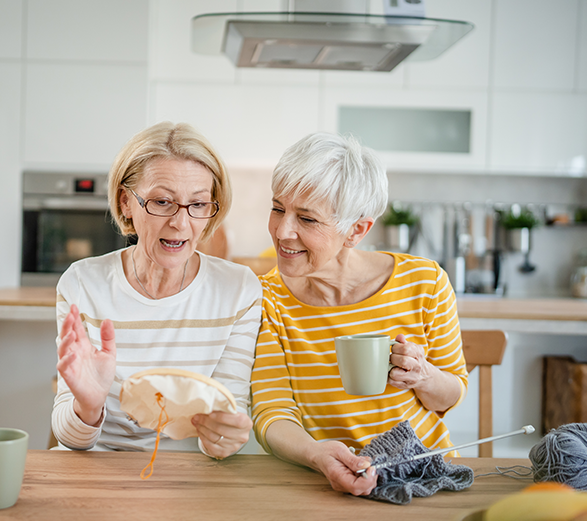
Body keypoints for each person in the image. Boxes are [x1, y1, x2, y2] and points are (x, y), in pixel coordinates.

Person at [251, 132, 468, 495]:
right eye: (278, 209)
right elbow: (272, 413)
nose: (282, 231)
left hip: (423, 475)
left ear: (356, 230)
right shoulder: (266, 299)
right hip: (321, 484)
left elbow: (450, 395)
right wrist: (315, 454)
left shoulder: (424, 283)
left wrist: (423, 376)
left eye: (307, 219)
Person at [52, 121, 261, 459]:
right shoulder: (83, 284)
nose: (180, 223)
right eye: (162, 202)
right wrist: (88, 406)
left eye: (197, 205)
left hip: (187, 479)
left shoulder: (238, 291)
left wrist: (224, 436)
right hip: (96, 470)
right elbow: (70, 440)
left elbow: (227, 418)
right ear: (126, 203)